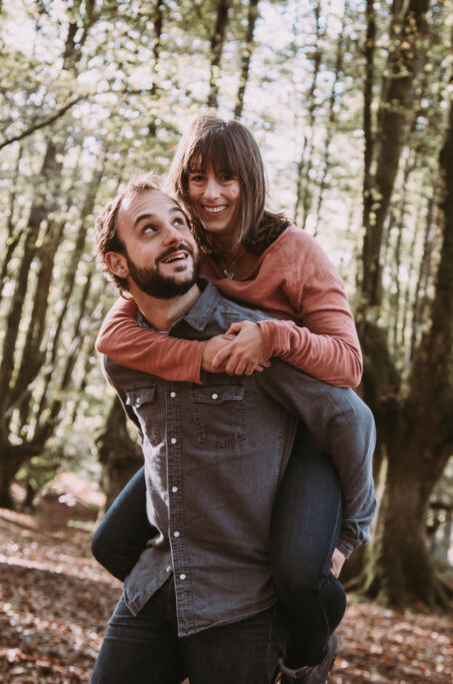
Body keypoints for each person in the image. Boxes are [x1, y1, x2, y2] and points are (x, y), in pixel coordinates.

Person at [91, 117, 364, 681]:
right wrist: (201, 358)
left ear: (251, 182)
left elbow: (348, 371)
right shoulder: (192, 244)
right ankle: (175, 598)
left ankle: (308, 650)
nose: (211, 193)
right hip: (217, 426)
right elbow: (117, 336)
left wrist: (275, 336)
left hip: (304, 424)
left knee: (296, 572)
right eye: (196, 179)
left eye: (227, 178)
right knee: (113, 542)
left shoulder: (297, 254)